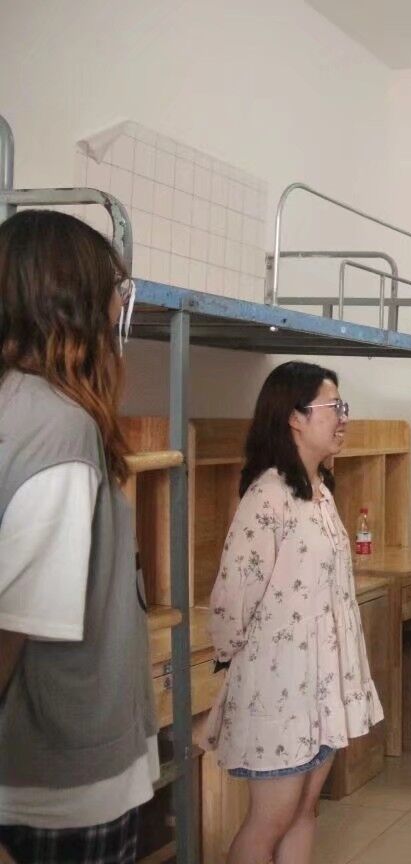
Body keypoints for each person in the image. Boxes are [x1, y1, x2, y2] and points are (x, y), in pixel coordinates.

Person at [0, 210, 157, 864]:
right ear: (73, 302)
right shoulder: (59, 429)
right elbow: (12, 625)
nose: (121, 307)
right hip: (59, 781)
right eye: (115, 290)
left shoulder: (17, 405)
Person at [204, 361, 382, 864]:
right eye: (333, 407)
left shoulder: (319, 490)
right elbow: (233, 595)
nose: (343, 418)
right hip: (279, 688)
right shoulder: (268, 496)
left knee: (305, 811)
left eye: (343, 406)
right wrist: (235, 659)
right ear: (294, 417)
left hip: (319, 685)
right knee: (270, 820)